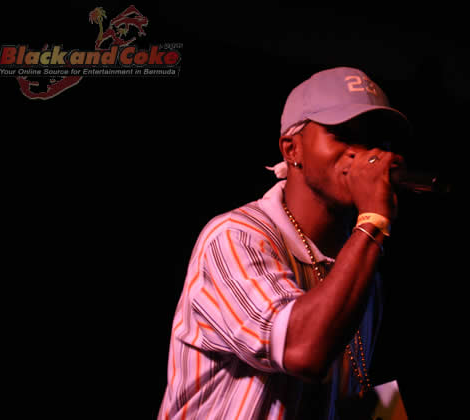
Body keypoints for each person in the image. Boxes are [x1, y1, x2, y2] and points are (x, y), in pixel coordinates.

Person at [158, 67, 409, 420]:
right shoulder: (235, 237)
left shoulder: (363, 264)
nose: (364, 154)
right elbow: (303, 351)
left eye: (374, 140)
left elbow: (348, 397)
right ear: (292, 149)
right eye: (343, 135)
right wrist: (373, 220)